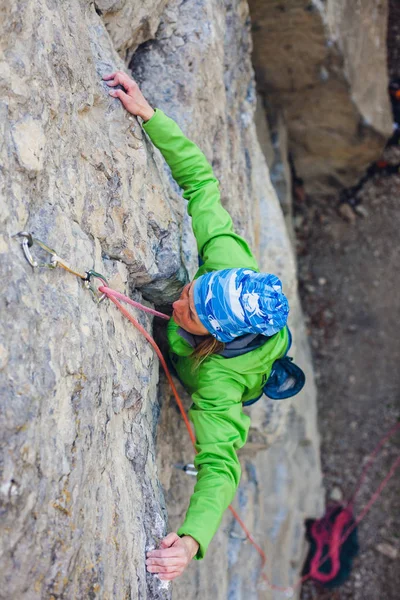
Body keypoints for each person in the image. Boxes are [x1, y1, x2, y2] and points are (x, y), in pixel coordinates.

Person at [102, 71, 300, 581]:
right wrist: (149, 115)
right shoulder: (225, 260)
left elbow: (220, 468)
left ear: (215, 337)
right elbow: (201, 183)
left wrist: (190, 542)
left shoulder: (217, 386)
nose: (183, 296)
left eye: (191, 308)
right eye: (194, 288)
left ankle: (267, 371)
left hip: (227, 373)